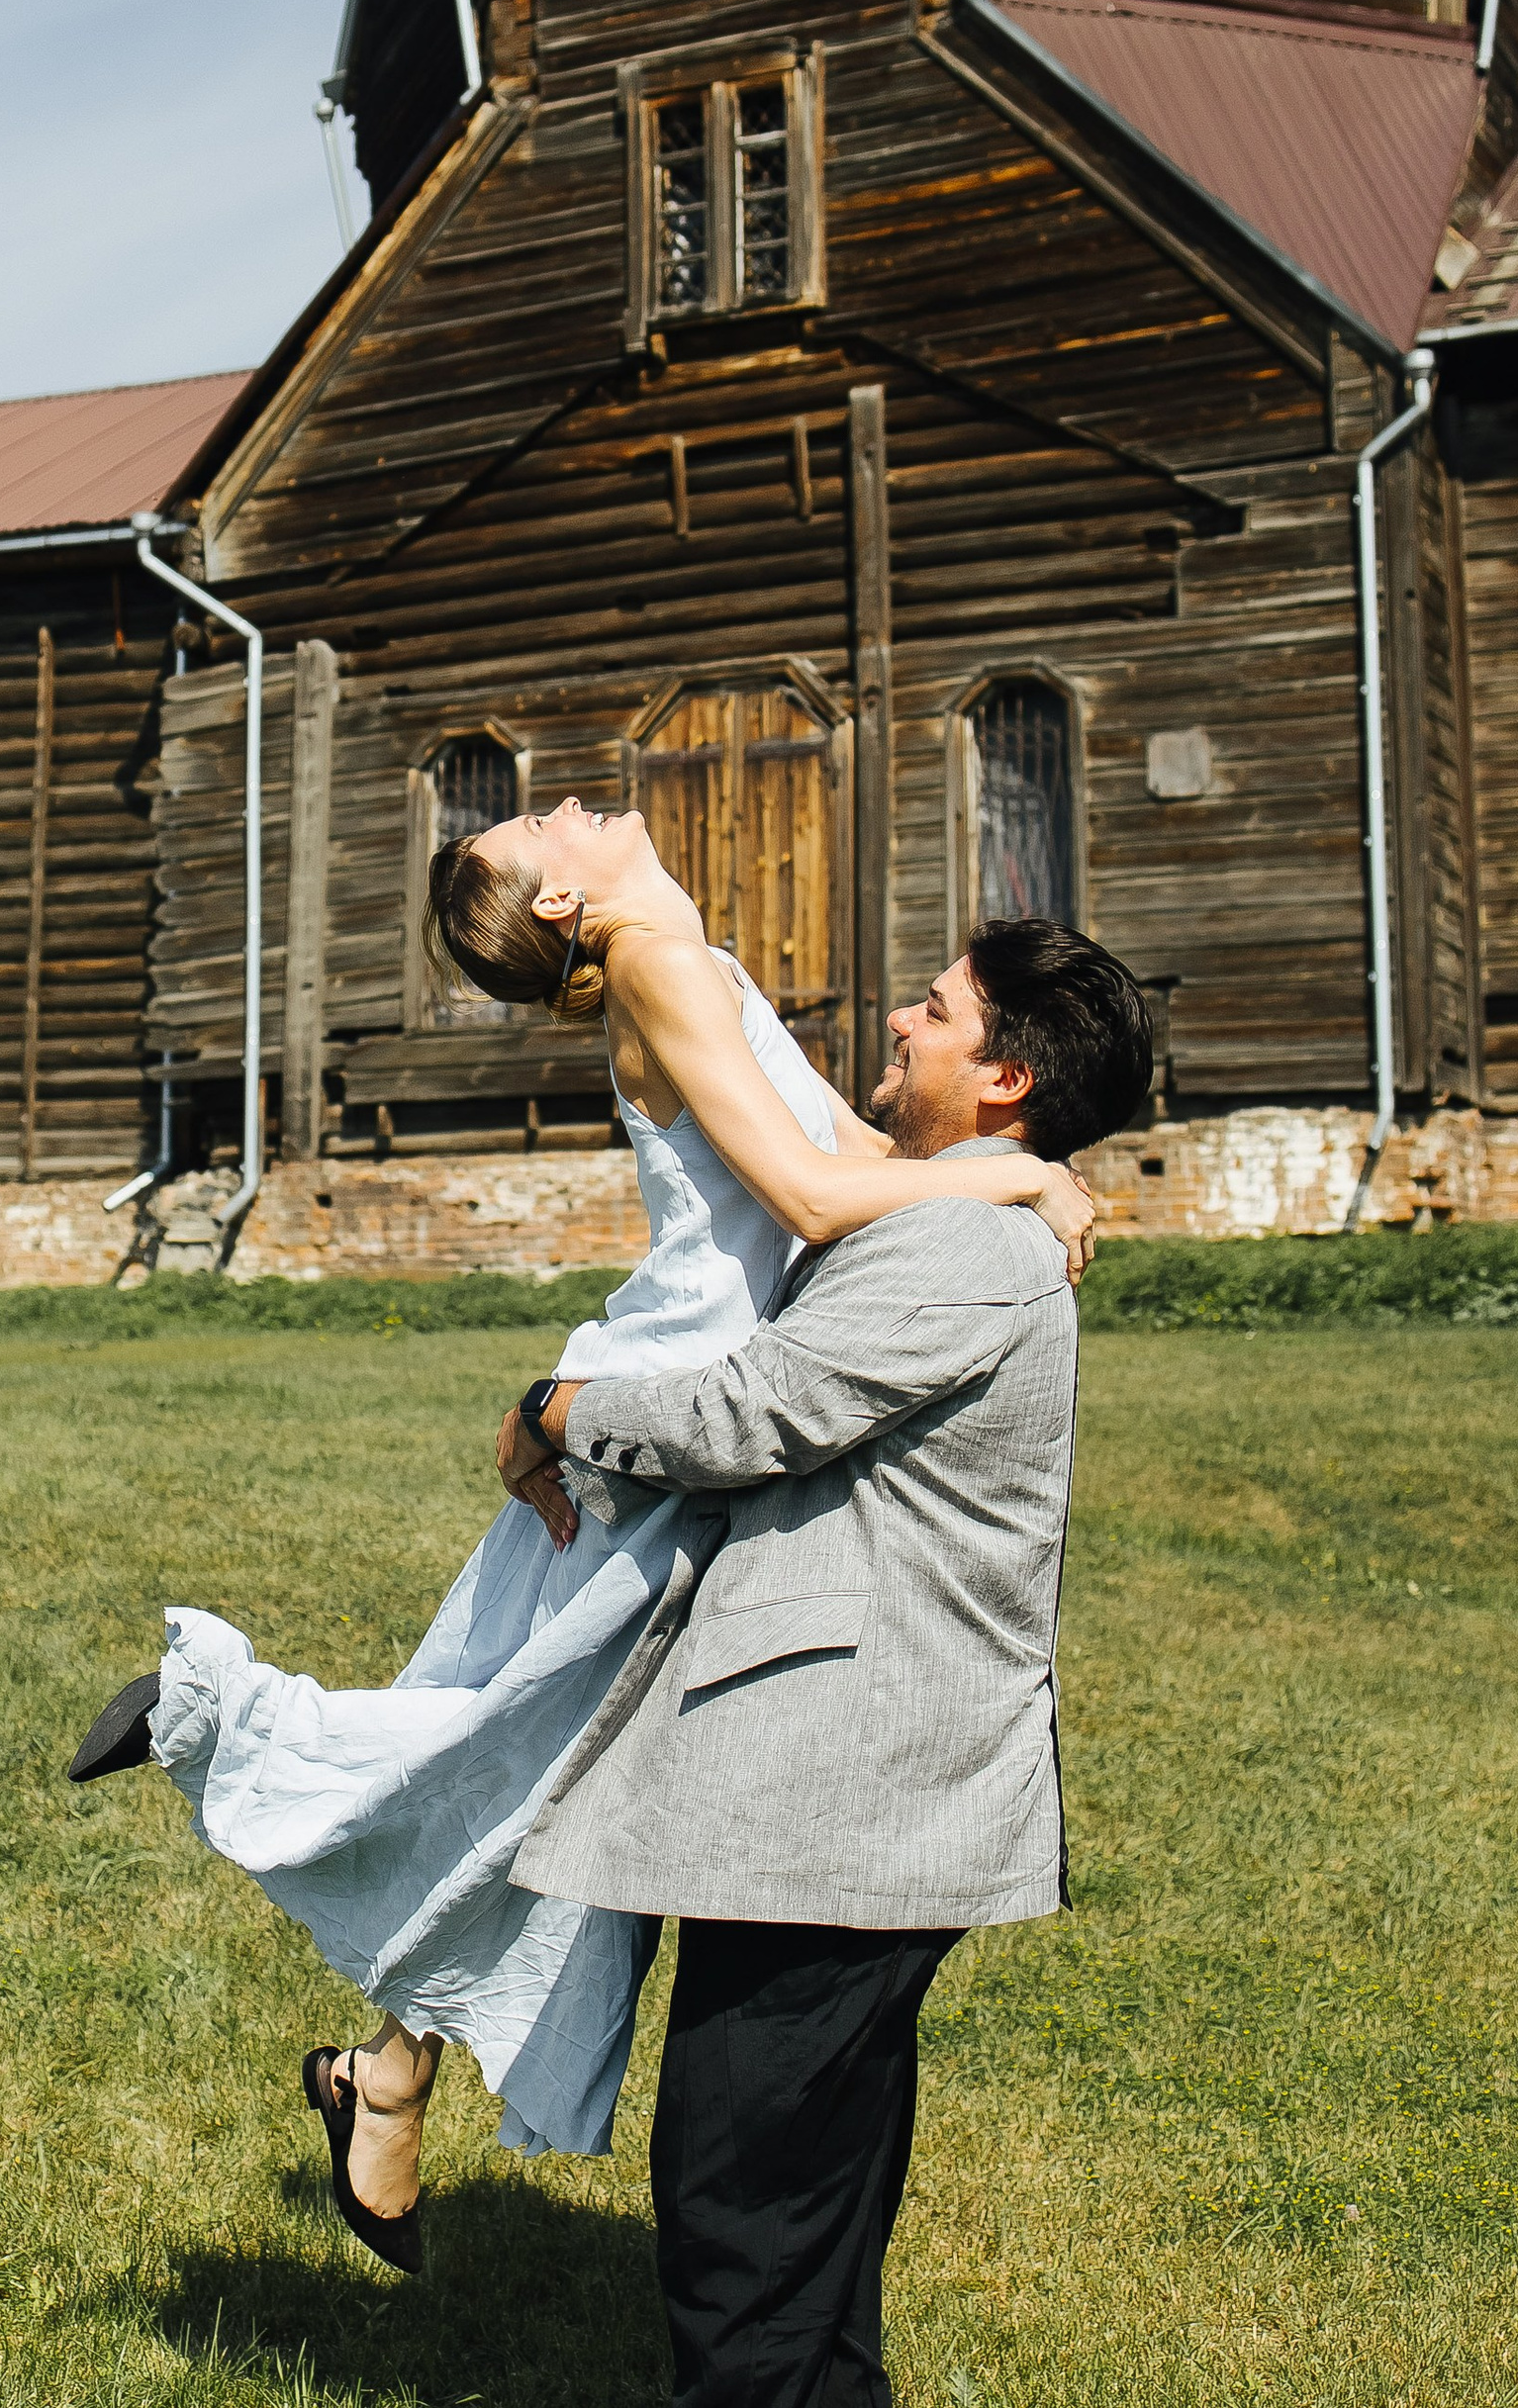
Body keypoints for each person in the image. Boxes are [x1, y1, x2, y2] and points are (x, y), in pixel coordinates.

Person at [65, 798, 1096, 2274]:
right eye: (535, 823)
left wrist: (992, 1160)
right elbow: (814, 1199)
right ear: (560, 901)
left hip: (697, 1406)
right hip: (678, 1410)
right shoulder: (663, 971)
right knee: (524, 1742)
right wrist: (1017, 1171)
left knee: (552, 1758)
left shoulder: (686, 957)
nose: (568, 803)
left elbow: (840, 1163)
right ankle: (211, 1715)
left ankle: (390, 2072)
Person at [495, 915, 1158, 2408]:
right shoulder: (972, 1214)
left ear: (1004, 1077)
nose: (902, 1020)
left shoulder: (964, 1256)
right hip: (864, 1785)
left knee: (738, 2184)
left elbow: (752, 1418)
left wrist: (564, 1408)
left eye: (936, 1012)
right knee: (821, 2179)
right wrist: (1042, 1183)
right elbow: (808, 1164)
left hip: (850, 1787)